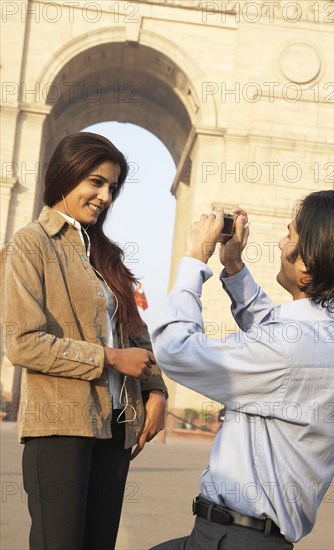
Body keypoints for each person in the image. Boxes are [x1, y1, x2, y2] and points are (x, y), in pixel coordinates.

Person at [151, 190, 334, 549]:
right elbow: (279, 336)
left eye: (291, 235)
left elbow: (175, 350)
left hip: (230, 538)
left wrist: (194, 259)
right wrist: (233, 265)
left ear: (307, 266)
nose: (281, 243)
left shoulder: (289, 348)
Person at [1, 132, 168, 550]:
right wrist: (109, 358)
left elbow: (137, 331)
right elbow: (23, 343)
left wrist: (157, 390)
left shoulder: (106, 254)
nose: (105, 196)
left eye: (112, 187)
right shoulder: (29, 245)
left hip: (116, 429)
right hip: (59, 428)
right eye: (95, 182)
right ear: (66, 176)